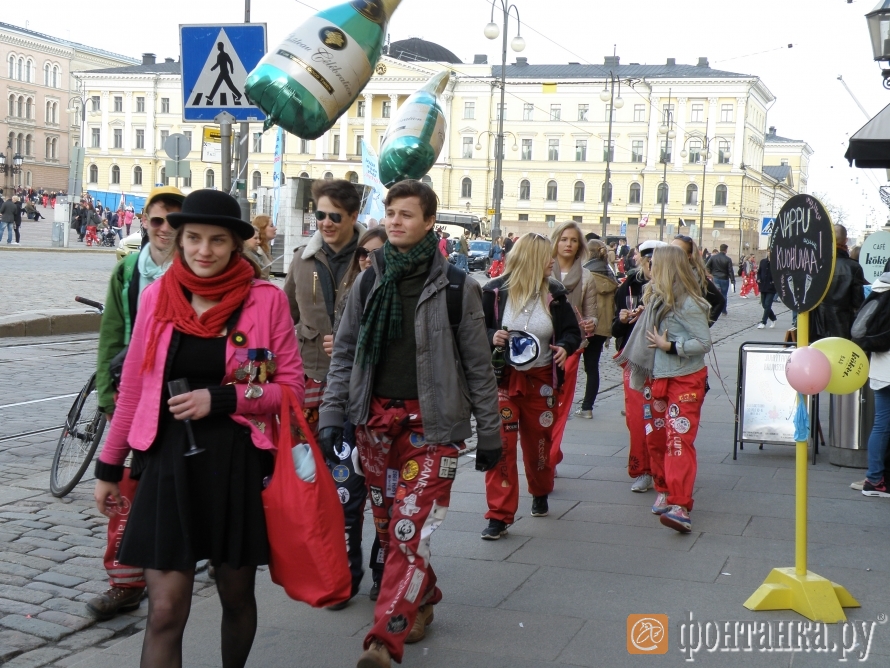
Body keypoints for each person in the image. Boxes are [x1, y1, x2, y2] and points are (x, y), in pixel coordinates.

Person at [92, 189, 303, 667]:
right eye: (192, 238)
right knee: (165, 609)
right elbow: (132, 391)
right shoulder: (156, 298)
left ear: (235, 246)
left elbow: (290, 390)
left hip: (235, 463)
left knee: (235, 595)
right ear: (180, 240)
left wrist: (223, 397)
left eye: (216, 240)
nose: (203, 250)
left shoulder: (264, 301)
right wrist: (109, 466)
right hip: (167, 462)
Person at [319, 179, 501, 668]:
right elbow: (346, 355)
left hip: (433, 429)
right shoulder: (369, 280)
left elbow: (479, 366)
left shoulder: (459, 287)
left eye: (405, 214)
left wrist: (491, 434)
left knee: (405, 531)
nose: (394, 221)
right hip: (374, 425)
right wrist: (333, 414)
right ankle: (424, 595)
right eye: (390, 213)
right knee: (390, 531)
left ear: (428, 222)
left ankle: (383, 640)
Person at [91, 186, 185, 621]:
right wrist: (109, 396)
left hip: (179, 399)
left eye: (175, 221)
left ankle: (176, 566)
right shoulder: (129, 269)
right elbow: (111, 329)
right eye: (158, 219)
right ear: (145, 221)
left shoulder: (194, 267)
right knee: (124, 489)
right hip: (132, 393)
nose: (165, 229)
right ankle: (124, 582)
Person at [283, 179, 375, 607]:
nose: (325, 222)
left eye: (334, 216)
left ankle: (364, 568)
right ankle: (336, 572)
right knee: (317, 485)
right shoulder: (302, 260)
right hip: (309, 384)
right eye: (319, 214)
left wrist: (347, 341)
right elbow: (286, 316)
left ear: (353, 216)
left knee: (349, 487)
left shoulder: (372, 258)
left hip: (357, 389)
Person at [481, 233, 582, 538]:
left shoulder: (555, 293)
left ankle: (540, 489)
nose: (553, 260)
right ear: (533, 259)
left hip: (541, 381)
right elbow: (474, 329)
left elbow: (571, 333)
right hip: (504, 379)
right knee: (501, 446)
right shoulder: (494, 292)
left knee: (539, 445)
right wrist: (491, 336)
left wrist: (565, 345)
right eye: (547, 256)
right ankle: (499, 514)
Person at [617, 245, 712, 533]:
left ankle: (680, 505)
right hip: (656, 378)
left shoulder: (689, 303)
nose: (648, 267)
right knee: (657, 437)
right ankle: (665, 490)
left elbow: (703, 343)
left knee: (678, 440)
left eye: (653, 263)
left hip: (684, 379)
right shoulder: (657, 297)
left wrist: (670, 346)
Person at [613, 239, 666, 493]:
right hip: (635, 361)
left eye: (656, 262)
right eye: (647, 262)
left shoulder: (673, 290)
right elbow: (614, 328)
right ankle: (642, 470)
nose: (650, 267)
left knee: (660, 419)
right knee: (636, 418)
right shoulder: (628, 287)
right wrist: (623, 320)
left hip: (664, 363)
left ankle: (663, 469)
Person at [548, 223, 596, 463]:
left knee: (560, 407)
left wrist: (590, 324)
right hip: (541, 348)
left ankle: (550, 455)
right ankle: (544, 453)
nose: (568, 244)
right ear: (556, 242)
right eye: (564, 239)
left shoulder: (587, 276)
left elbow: (592, 314)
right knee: (543, 407)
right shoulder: (543, 271)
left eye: (574, 240)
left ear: (579, 246)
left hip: (570, 349)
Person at [575, 239, 619, 420]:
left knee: (568, 367)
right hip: (602, 328)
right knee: (592, 368)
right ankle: (587, 407)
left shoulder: (586, 274)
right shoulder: (610, 275)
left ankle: (559, 403)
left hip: (582, 326)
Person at [861, 271, 890, 498]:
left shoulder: (878, 289)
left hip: (880, 368)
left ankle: (874, 478)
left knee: (881, 425)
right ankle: (875, 479)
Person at [811, 224, 866, 342]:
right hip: (844, 329)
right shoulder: (853, 267)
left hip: (818, 329)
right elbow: (858, 304)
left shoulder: (816, 265)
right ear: (846, 240)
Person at [671, 235, 725, 326]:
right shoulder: (662, 271)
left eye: (677, 250)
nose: (672, 252)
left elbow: (719, 301)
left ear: (688, 255)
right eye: (670, 248)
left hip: (684, 334)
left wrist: (704, 326)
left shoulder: (696, 278)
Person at [705, 244, 735, 314]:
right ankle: (723, 310)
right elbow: (730, 271)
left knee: (715, 293)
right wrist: (732, 280)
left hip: (715, 278)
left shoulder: (713, 257)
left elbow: (707, 266)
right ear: (726, 250)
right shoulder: (728, 259)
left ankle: (714, 309)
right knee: (724, 294)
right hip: (724, 279)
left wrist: (710, 274)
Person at [756, 255, 777, 329]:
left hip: (771, 287)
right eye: (768, 251)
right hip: (763, 286)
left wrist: (774, 282)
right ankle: (773, 318)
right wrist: (758, 279)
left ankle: (763, 322)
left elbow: (779, 274)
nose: (769, 253)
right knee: (764, 305)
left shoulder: (776, 262)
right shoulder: (763, 261)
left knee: (768, 304)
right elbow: (759, 272)